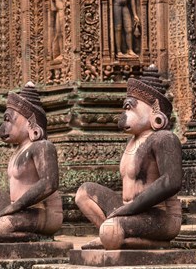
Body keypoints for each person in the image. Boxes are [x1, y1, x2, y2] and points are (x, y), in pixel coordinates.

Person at [75, 65, 182, 249]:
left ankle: (121, 239)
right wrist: (125, 211)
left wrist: (128, 210)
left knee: (111, 230)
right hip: (130, 212)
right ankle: (114, 237)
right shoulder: (133, 142)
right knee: (83, 193)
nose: (124, 114)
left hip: (160, 215)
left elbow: (172, 181)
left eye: (130, 108)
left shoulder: (164, 138)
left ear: (154, 113)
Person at [0, 82, 63, 242]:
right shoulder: (17, 152)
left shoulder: (42, 146)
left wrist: (16, 206)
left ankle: (34, 237)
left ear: (30, 123)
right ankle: (0, 227)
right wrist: (13, 207)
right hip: (20, 209)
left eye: (8, 119)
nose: (4, 126)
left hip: (43, 212)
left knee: (0, 228)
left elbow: (49, 183)